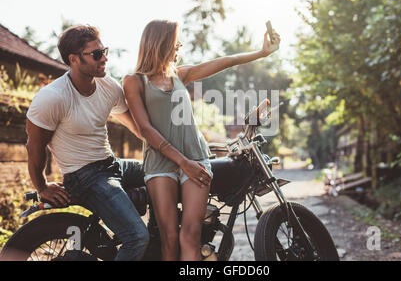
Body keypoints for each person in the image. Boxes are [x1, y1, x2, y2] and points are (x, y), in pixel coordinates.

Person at [123, 19, 280, 261]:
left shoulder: (180, 75)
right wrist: (183, 162)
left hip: (197, 157)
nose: (179, 47)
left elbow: (226, 61)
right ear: (162, 44)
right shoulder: (134, 81)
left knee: (191, 234)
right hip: (160, 164)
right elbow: (145, 128)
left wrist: (261, 53)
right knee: (169, 239)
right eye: (176, 42)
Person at [26, 25, 149, 261]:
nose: (104, 58)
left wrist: (171, 151)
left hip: (112, 165)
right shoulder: (54, 97)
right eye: (96, 54)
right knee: (136, 237)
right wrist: (41, 186)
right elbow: (34, 146)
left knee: (163, 174)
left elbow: (136, 126)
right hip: (85, 176)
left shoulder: (107, 86)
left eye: (104, 51)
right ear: (74, 60)